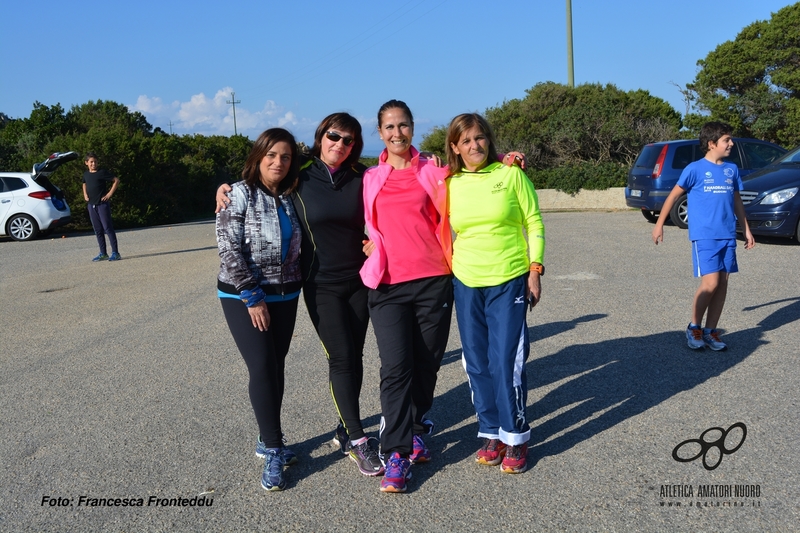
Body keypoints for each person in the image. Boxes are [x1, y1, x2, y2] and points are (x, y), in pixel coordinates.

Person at [217, 113, 385, 477]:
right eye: (334, 136)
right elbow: (234, 230)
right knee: (311, 359)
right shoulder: (296, 177)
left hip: (329, 285)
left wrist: (496, 160)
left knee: (344, 357)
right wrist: (222, 188)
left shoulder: (357, 177)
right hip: (306, 286)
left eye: (349, 140)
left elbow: (402, 174)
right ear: (321, 136)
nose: (340, 144)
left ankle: (338, 429)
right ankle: (344, 440)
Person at [360, 99, 454, 493]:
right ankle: (396, 453)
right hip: (387, 286)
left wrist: (505, 157)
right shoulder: (369, 177)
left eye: (403, 125)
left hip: (434, 279)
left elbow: (471, 163)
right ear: (380, 133)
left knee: (427, 362)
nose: (397, 133)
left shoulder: (432, 170)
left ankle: (416, 427)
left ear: (412, 128)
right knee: (395, 368)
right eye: (389, 127)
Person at [445, 113, 545, 474]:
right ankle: (491, 432)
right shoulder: (449, 182)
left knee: (506, 362)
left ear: (489, 139)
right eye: (466, 141)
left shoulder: (511, 175)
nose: (475, 146)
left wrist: (535, 269)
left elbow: (533, 221)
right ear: (454, 147)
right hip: (466, 282)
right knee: (476, 362)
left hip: (509, 279)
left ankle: (516, 436)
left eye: (480, 138)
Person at [216, 128, 303, 492]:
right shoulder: (237, 194)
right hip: (244, 295)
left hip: (286, 294)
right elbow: (228, 248)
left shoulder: (293, 195)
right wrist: (252, 296)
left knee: (276, 366)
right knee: (263, 366)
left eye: (285, 156)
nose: (278, 162)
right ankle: (273, 446)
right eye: (271, 155)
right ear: (258, 157)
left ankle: (267, 436)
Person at [652, 121, 755, 351]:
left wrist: (746, 229)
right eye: (726, 140)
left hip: (727, 235)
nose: (731, 143)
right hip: (705, 236)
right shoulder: (694, 169)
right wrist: (659, 224)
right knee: (711, 282)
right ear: (711, 143)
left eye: (730, 139)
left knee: (723, 284)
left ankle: (711, 332)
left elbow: (737, 201)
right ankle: (694, 327)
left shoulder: (731, 170)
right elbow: (672, 197)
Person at [82, 152, 121, 261]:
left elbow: (116, 180)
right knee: (98, 230)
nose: (93, 164)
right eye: (91, 162)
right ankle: (103, 253)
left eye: (95, 162)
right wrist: (85, 194)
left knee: (107, 228)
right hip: (91, 205)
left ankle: (115, 253)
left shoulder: (102, 172)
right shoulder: (86, 174)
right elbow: (84, 183)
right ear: (86, 163)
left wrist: (109, 194)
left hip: (102, 205)